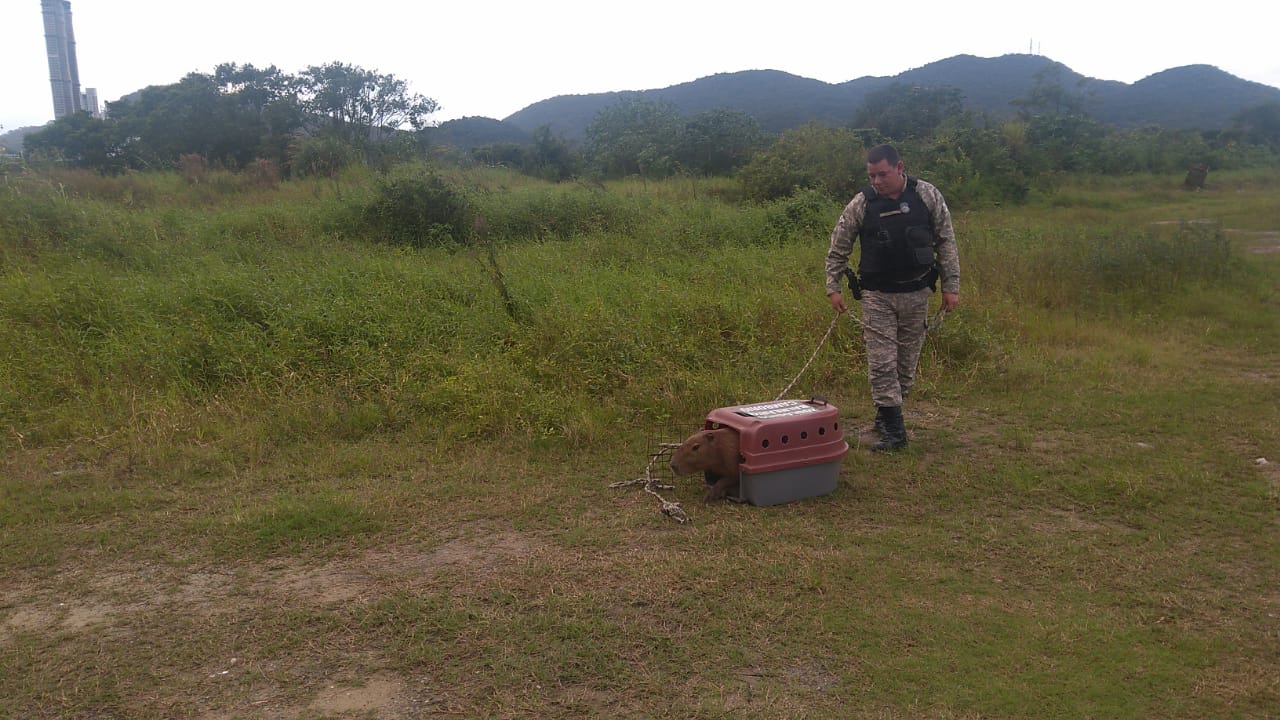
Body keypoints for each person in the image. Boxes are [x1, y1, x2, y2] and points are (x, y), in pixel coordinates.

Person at [825, 144, 960, 451]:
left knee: (905, 367)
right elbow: (839, 246)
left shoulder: (926, 195)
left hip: (917, 292)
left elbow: (946, 241)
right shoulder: (862, 203)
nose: (877, 181)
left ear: (900, 167)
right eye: (871, 175)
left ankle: (886, 419)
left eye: (882, 174)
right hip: (877, 295)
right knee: (882, 364)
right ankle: (896, 435)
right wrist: (833, 287)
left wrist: (952, 286)